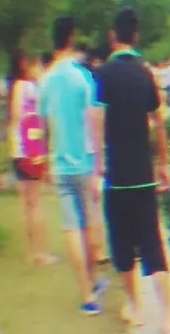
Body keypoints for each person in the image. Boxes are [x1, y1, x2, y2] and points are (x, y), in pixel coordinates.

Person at [91, 6, 170, 334]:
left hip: (116, 175)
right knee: (153, 243)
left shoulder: (103, 76)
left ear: (113, 37)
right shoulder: (146, 74)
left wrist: (98, 162)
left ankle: (135, 307)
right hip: (143, 173)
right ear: (137, 36)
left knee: (122, 245)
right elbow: (159, 123)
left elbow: (97, 120)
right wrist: (163, 163)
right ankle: (169, 318)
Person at [38, 17, 109, 314]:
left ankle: (87, 295)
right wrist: (99, 162)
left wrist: (43, 158)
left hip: (59, 162)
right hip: (83, 160)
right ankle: (93, 280)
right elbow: (94, 121)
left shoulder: (46, 80)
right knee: (89, 223)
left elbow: (42, 125)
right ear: (72, 38)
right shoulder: (82, 77)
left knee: (71, 229)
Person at [9, 51, 60, 266]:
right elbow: (41, 119)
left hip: (17, 150)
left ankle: (33, 251)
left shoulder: (16, 88)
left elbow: (13, 119)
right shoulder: (30, 88)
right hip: (31, 151)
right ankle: (41, 251)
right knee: (35, 204)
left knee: (27, 205)